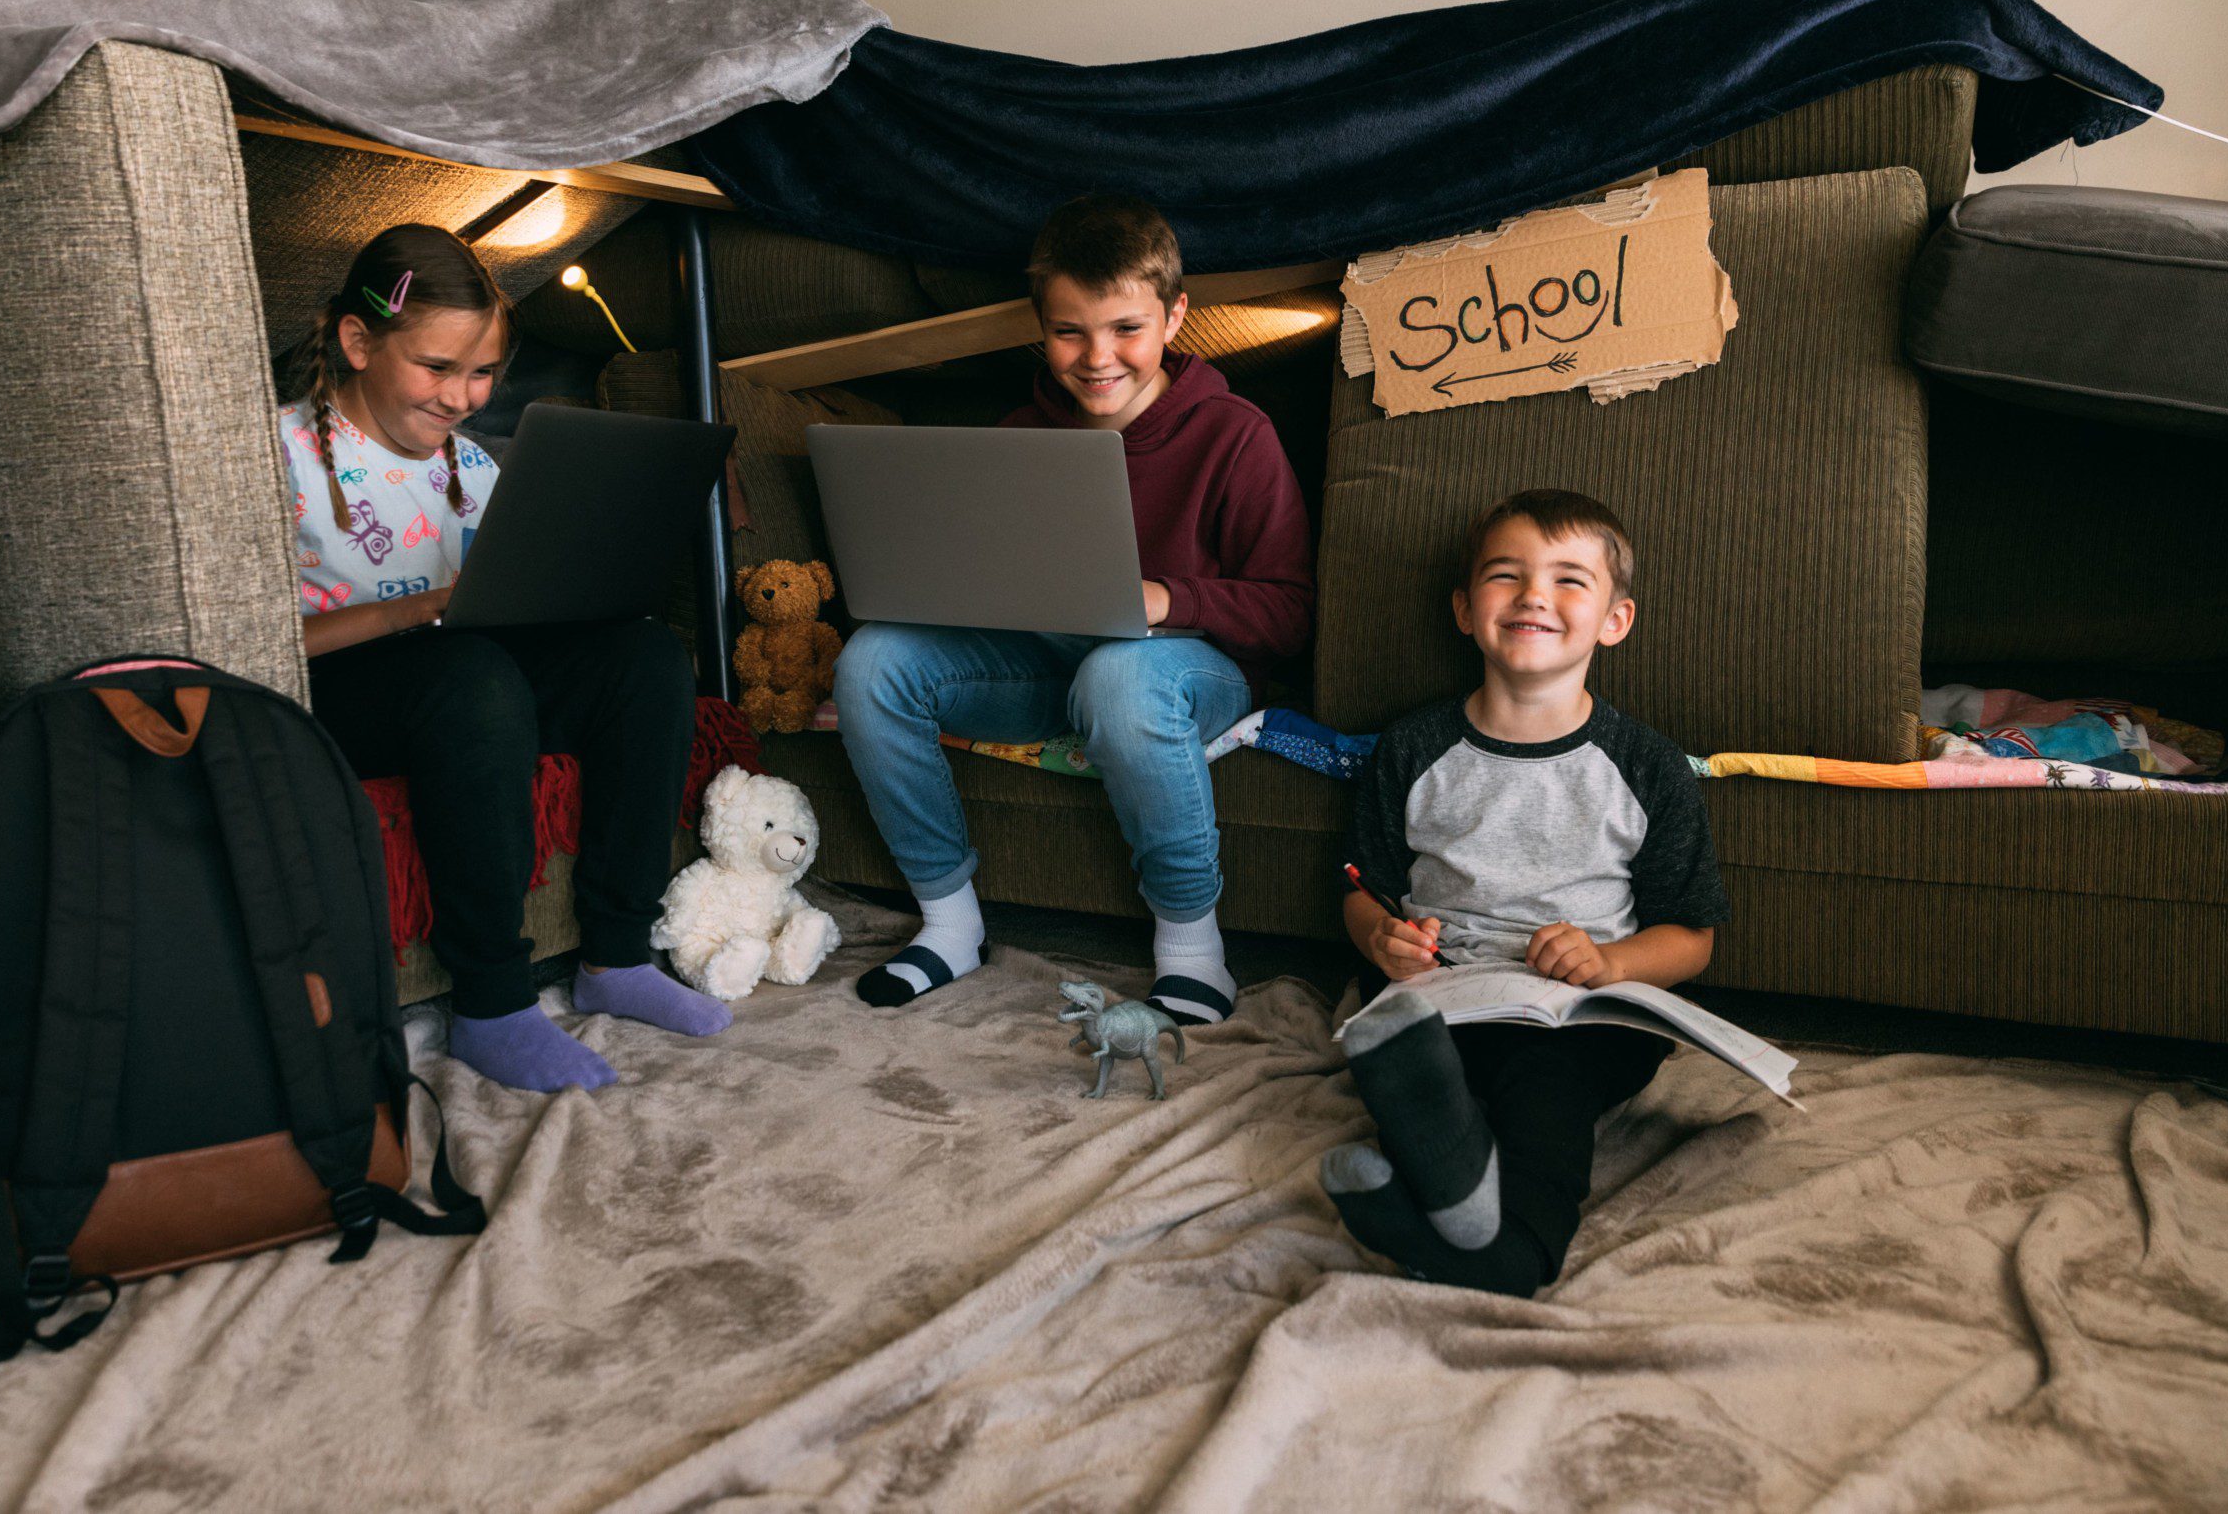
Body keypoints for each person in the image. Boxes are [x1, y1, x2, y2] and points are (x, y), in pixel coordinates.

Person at [832, 193, 1315, 1024]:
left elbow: (1291, 612)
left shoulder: (1236, 433)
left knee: (1120, 672)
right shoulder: (1024, 431)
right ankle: (950, 924)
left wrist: (1168, 598)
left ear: (1174, 318)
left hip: (1186, 674)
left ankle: (1194, 949)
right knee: (872, 661)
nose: (1098, 357)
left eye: (1126, 327)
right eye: (1069, 331)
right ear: (1039, 328)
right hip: (1050, 665)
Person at [278, 223, 729, 1093]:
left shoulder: (475, 466)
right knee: (473, 678)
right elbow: (251, 648)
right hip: (339, 690)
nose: (461, 396)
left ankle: (618, 954)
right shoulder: (279, 455)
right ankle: (492, 1003)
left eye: (481, 372)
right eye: (437, 367)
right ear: (358, 340)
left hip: (468, 677)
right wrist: (413, 608)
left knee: (642, 658)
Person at [1320, 489, 1729, 1294]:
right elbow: (1361, 887)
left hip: (1579, 1016)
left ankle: (1517, 1253)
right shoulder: (1413, 747)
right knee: (1417, 1063)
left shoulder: (1646, 766)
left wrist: (1609, 961)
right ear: (1466, 610)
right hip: (1444, 995)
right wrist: (1378, 937)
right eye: (1507, 576)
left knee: (1545, 1100)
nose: (1535, 595)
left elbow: (1693, 934)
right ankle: (1458, 1212)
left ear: (1615, 619)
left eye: (1570, 579)